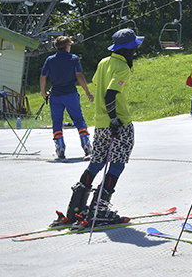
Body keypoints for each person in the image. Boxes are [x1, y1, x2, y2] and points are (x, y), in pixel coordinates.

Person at [56, 28, 144, 226]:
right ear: (127, 49)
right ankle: (100, 210)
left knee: (96, 163)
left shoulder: (104, 62)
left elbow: (97, 83)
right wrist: (114, 119)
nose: (135, 51)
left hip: (100, 124)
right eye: (134, 48)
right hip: (118, 123)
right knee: (117, 164)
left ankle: (75, 209)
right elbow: (110, 95)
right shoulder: (122, 67)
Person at [40, 36, 94, 159]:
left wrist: (43, 92)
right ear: (67, 46)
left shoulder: (50, 60)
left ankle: (60, 149)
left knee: (57, 122)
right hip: (70, 94)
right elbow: (79, 75)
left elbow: (43, 77)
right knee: (79, 120)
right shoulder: (73, 59)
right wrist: (87, 91)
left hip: (56, 95)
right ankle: (86, 146)